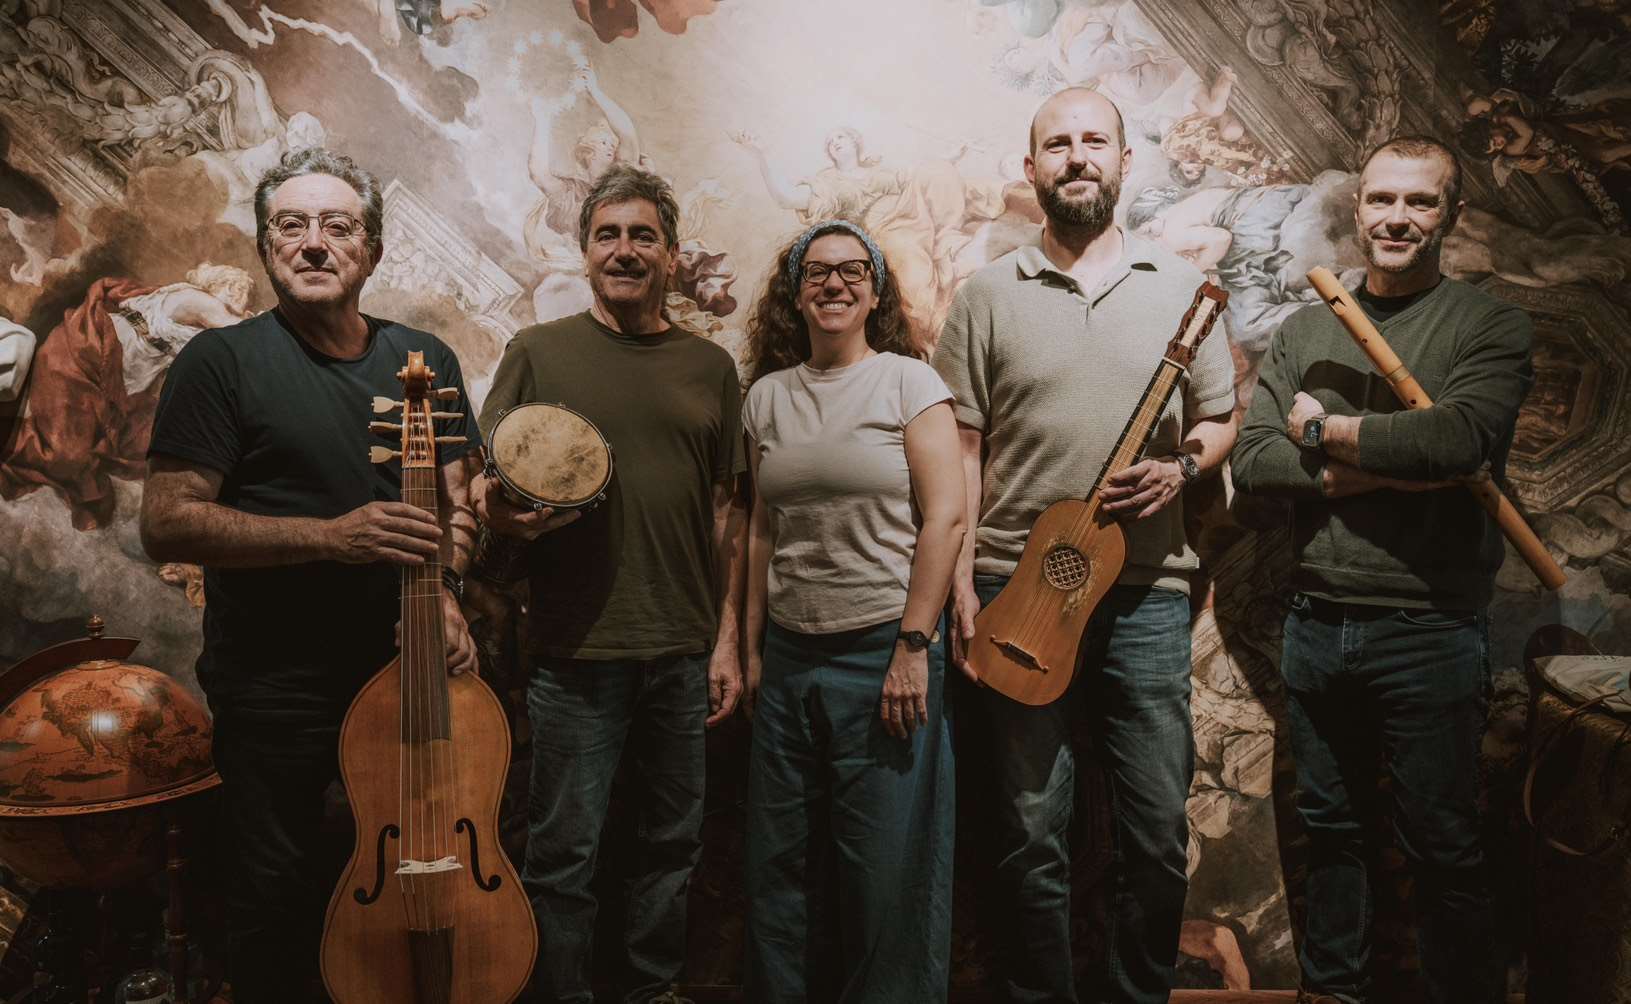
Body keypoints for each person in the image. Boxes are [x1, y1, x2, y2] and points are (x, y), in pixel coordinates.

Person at [138, 147, 482, 1003]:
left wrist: (444, 594)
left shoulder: (425, 360)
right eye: (292, 225)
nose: (315, 243)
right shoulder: (219, 363)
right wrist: (331, 537)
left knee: (425, 869)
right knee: (275, 888)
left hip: (406, 675)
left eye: (338, 226)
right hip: (274, 682)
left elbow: (457, 506)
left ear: (371, 248)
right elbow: (166, 521)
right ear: (265, 247)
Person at [934, 87, 1238, 1004]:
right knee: (1029, 831)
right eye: (1056, 144)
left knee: (1150, 832)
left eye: (1093, 141)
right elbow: (960, 451)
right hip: (1011, 589)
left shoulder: (1182, 289)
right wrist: (956, 586)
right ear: (1030, 171)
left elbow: (1218, 418)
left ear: (1122, 161)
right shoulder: (985, 296)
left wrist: (1180, 470)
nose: (1076, 157)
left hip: (1146, 594)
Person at [1231, 136, 1533, 1004]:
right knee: (1327, 831)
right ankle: (1333, 995)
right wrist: (1389, 464)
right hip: (1315, 622)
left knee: (1441, 844)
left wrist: (1322, 432)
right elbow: (1252, 462)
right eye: (1380, 201)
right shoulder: (1307, 327)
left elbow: (1456, 439)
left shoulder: (1488, 324)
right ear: (1356, 209)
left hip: (1429, 628)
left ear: (1451, 216)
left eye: (1419, 202)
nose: (1396, 218)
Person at [476, 163, 746, 1004]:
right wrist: (502, 516)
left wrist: (727, 639)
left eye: (642, 236)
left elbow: (726, 517)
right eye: (607, 235)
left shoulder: (709, 367)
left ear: (670, 255)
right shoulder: (537, 350)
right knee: (564, 856)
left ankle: (651, 991)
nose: (623, 250)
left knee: (669, 847)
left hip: (679, 650)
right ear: (584, 249)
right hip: (573, 650)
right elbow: (486, 483)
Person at [738, 220, 965, 1003]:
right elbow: (761, 530)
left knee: (887, 877)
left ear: (874, 292)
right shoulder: (766, 398)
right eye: (817, 272)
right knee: (779, 873)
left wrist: (912, 645)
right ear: (794, 293)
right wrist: (750, 649)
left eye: (852, 271)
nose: (834, 283)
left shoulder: (909, 383)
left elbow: (945, 519)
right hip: (791, 660)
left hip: (882, 656)